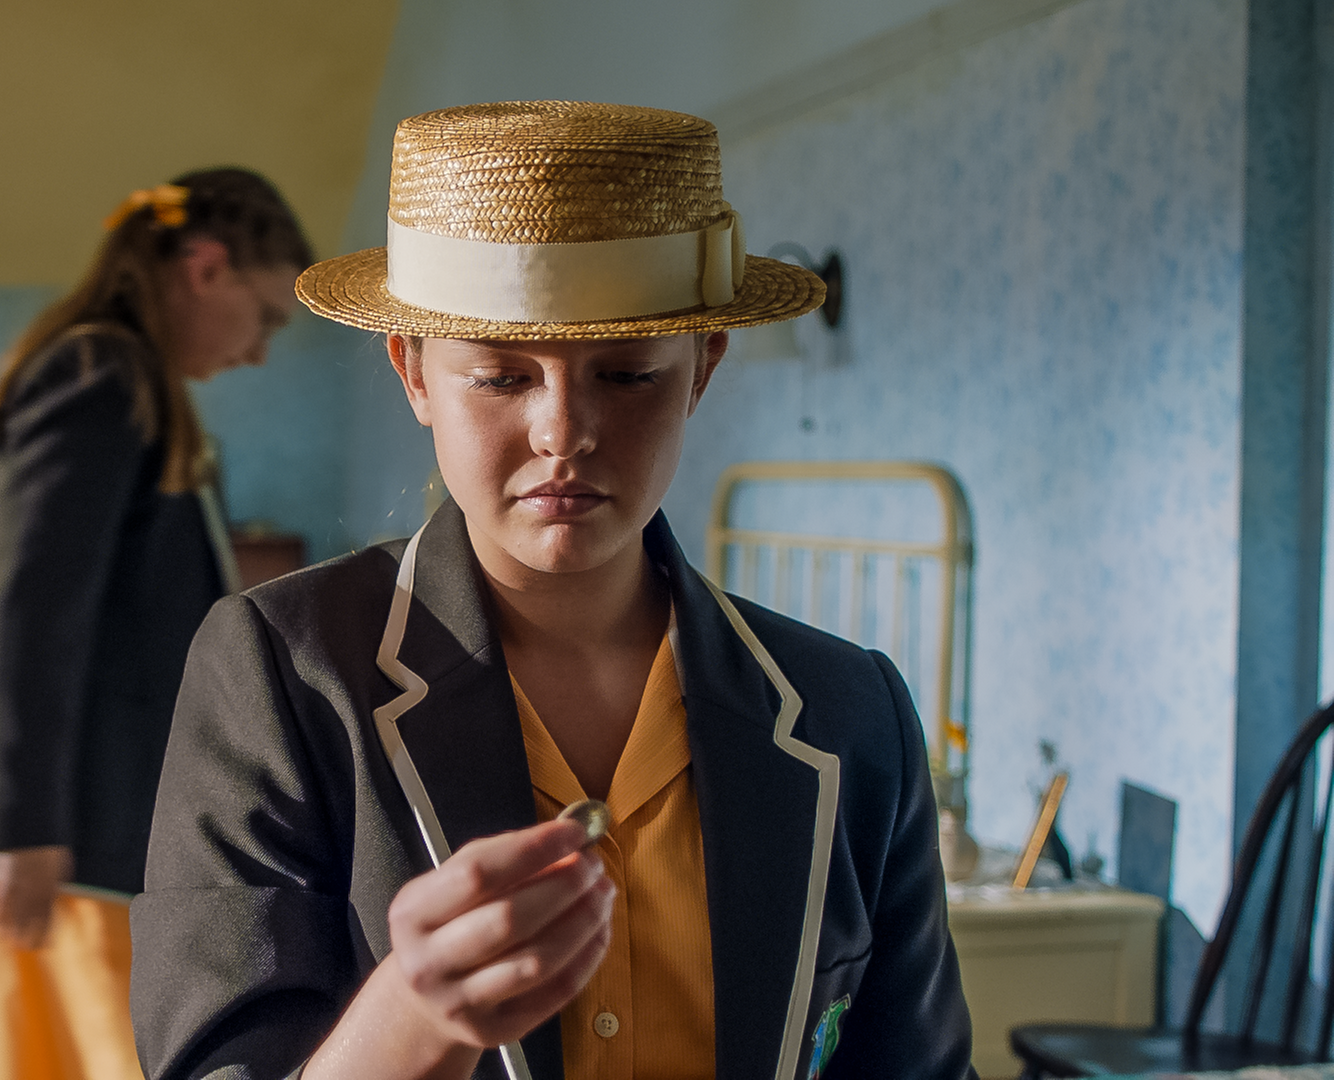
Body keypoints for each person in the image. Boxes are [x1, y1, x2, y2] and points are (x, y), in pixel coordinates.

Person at [132, 102, 976, 1080]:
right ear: (413, 372)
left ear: (703, 367)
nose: (562, 432)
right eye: (498, 377)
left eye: (626, 375)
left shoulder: (850, 716)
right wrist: (412, 1019)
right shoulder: (279, 675)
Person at [0, 167, 313, 1080]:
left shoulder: (122, 374)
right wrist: (25, 823)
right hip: (61, 835)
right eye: (268, 316)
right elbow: (31, 609)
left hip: (78, 827)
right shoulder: (101, 372)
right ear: (206, 268)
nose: (258, 352)